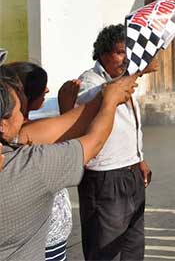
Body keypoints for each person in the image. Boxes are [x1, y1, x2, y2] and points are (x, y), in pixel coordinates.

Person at [0, 70, 139, 260]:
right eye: (17, 110)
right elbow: (93, 142)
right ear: (2, 124)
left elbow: (64, 127)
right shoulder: (28, 164)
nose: (21, 117)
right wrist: (109, 102)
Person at [75, 24, 154, 260]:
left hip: (130, 172)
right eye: (120, 52)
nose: (125, 59)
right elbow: (99, 97)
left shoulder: (123, 79)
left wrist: (139, 158)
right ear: (103, 53)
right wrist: (137, 72)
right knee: (104, 247)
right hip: (105, 176)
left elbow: (130, 126)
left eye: (128, 53)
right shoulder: (89, 80)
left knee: (133, 244)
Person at [2, 62, 75, 261]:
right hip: (40, 240)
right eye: (42, 85)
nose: (48, 89)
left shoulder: (28, 128)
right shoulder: (23, 134)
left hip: (50, 236)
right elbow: (81, 142)